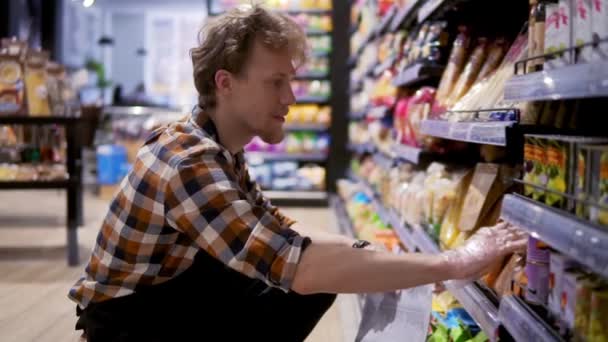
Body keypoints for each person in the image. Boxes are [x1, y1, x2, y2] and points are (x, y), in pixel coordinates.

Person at [68, 5, 527, 341]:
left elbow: (276, 228)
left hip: (170, 298)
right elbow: (299, 266)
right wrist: (452, 262)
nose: (291, 98)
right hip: (128, 326)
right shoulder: (190, 162)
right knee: (308, 280)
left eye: (293, 81)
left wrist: (380, 258)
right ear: (224, 83)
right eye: (276, 82)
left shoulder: (215, 144)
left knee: (326, 269)